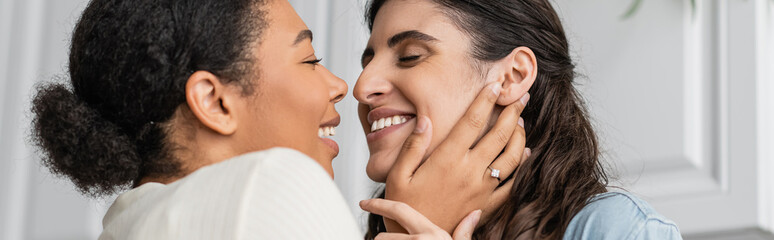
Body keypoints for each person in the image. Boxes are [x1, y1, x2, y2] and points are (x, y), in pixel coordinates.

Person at [29, 0, 527, 239]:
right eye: (310, 60)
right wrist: (413, 220)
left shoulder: (128, 226)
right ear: (216, 102)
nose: (345, 86)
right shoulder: (265, 188)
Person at [355, 0, 683, 239]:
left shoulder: (617, 229)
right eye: (366, 62)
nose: (362, 87)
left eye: (409, 57)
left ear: (512, 77)